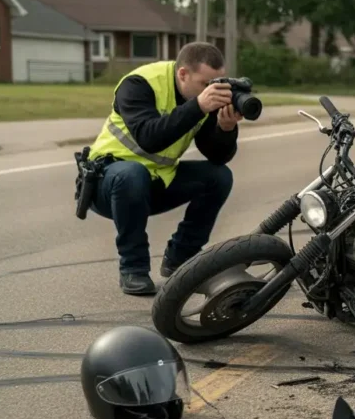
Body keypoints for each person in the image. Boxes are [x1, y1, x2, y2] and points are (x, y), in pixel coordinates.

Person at [85, 42, 244, 296]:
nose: (212, 90)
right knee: (131, 174)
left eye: (217, 83)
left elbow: (216, 156)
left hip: (154, 183)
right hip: (108, 182)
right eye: (206, 83)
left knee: (219, 177)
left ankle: (180, 259)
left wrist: (226, 130)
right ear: (183, 74)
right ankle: (133, 269)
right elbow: (149, 138)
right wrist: (199, 107)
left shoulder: (200, 97)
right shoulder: (138, 84)